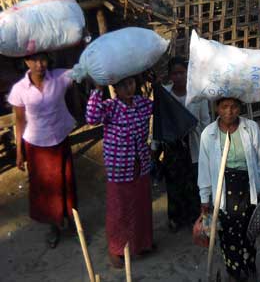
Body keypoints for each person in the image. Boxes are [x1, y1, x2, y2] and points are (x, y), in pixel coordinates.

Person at [7, 52, 77, 248]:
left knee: (66, 181)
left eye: (43, 59)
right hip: (37, 145)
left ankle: (72, 220)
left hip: (60, 139)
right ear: (26, 61)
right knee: (45, 189)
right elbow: (19, 121)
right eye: (34, 60)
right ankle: (53, 226)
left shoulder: (59, 78)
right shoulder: (20, 90)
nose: (40, 64)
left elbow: (81, 72)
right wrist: (20, 151)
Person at [198, 97, 260, 282]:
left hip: (248, 189)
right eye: (224, 107)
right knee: (228, 235)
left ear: (240, 108)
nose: (229, 112)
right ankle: (234, 272)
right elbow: (204, 169)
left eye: (234, 107)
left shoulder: (251, 128)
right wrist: (204, 199)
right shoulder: (209, 134)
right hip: (224, 192)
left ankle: (249, 266)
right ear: (216, 108)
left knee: (249, 231)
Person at [85, 76, 155, 268]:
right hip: (119, 165)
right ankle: (116, 249)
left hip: (141, 161)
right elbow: (91, 118)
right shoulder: (110, 106)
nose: (128, 88)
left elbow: (161, 108)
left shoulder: (142, 103)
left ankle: (141, 244)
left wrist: (156, 81)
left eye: (131, 82)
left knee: (141, 205)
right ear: (114, 88)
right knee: (120, 208)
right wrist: (98, 88)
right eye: (123, 85)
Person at [151, 57, 211, 232]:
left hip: (193, 146)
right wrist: (154, 149)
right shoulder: (165, 95)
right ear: (170, 75)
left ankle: (196, 219)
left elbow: (206, 122)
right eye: (174, 73)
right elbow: (159, 123)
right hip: (172, 149)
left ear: (188, 73)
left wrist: (191, 129)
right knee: (174, 185)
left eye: (181, 73)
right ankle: (176, 219)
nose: (178, 77)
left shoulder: (198, 96)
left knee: (195, 184)